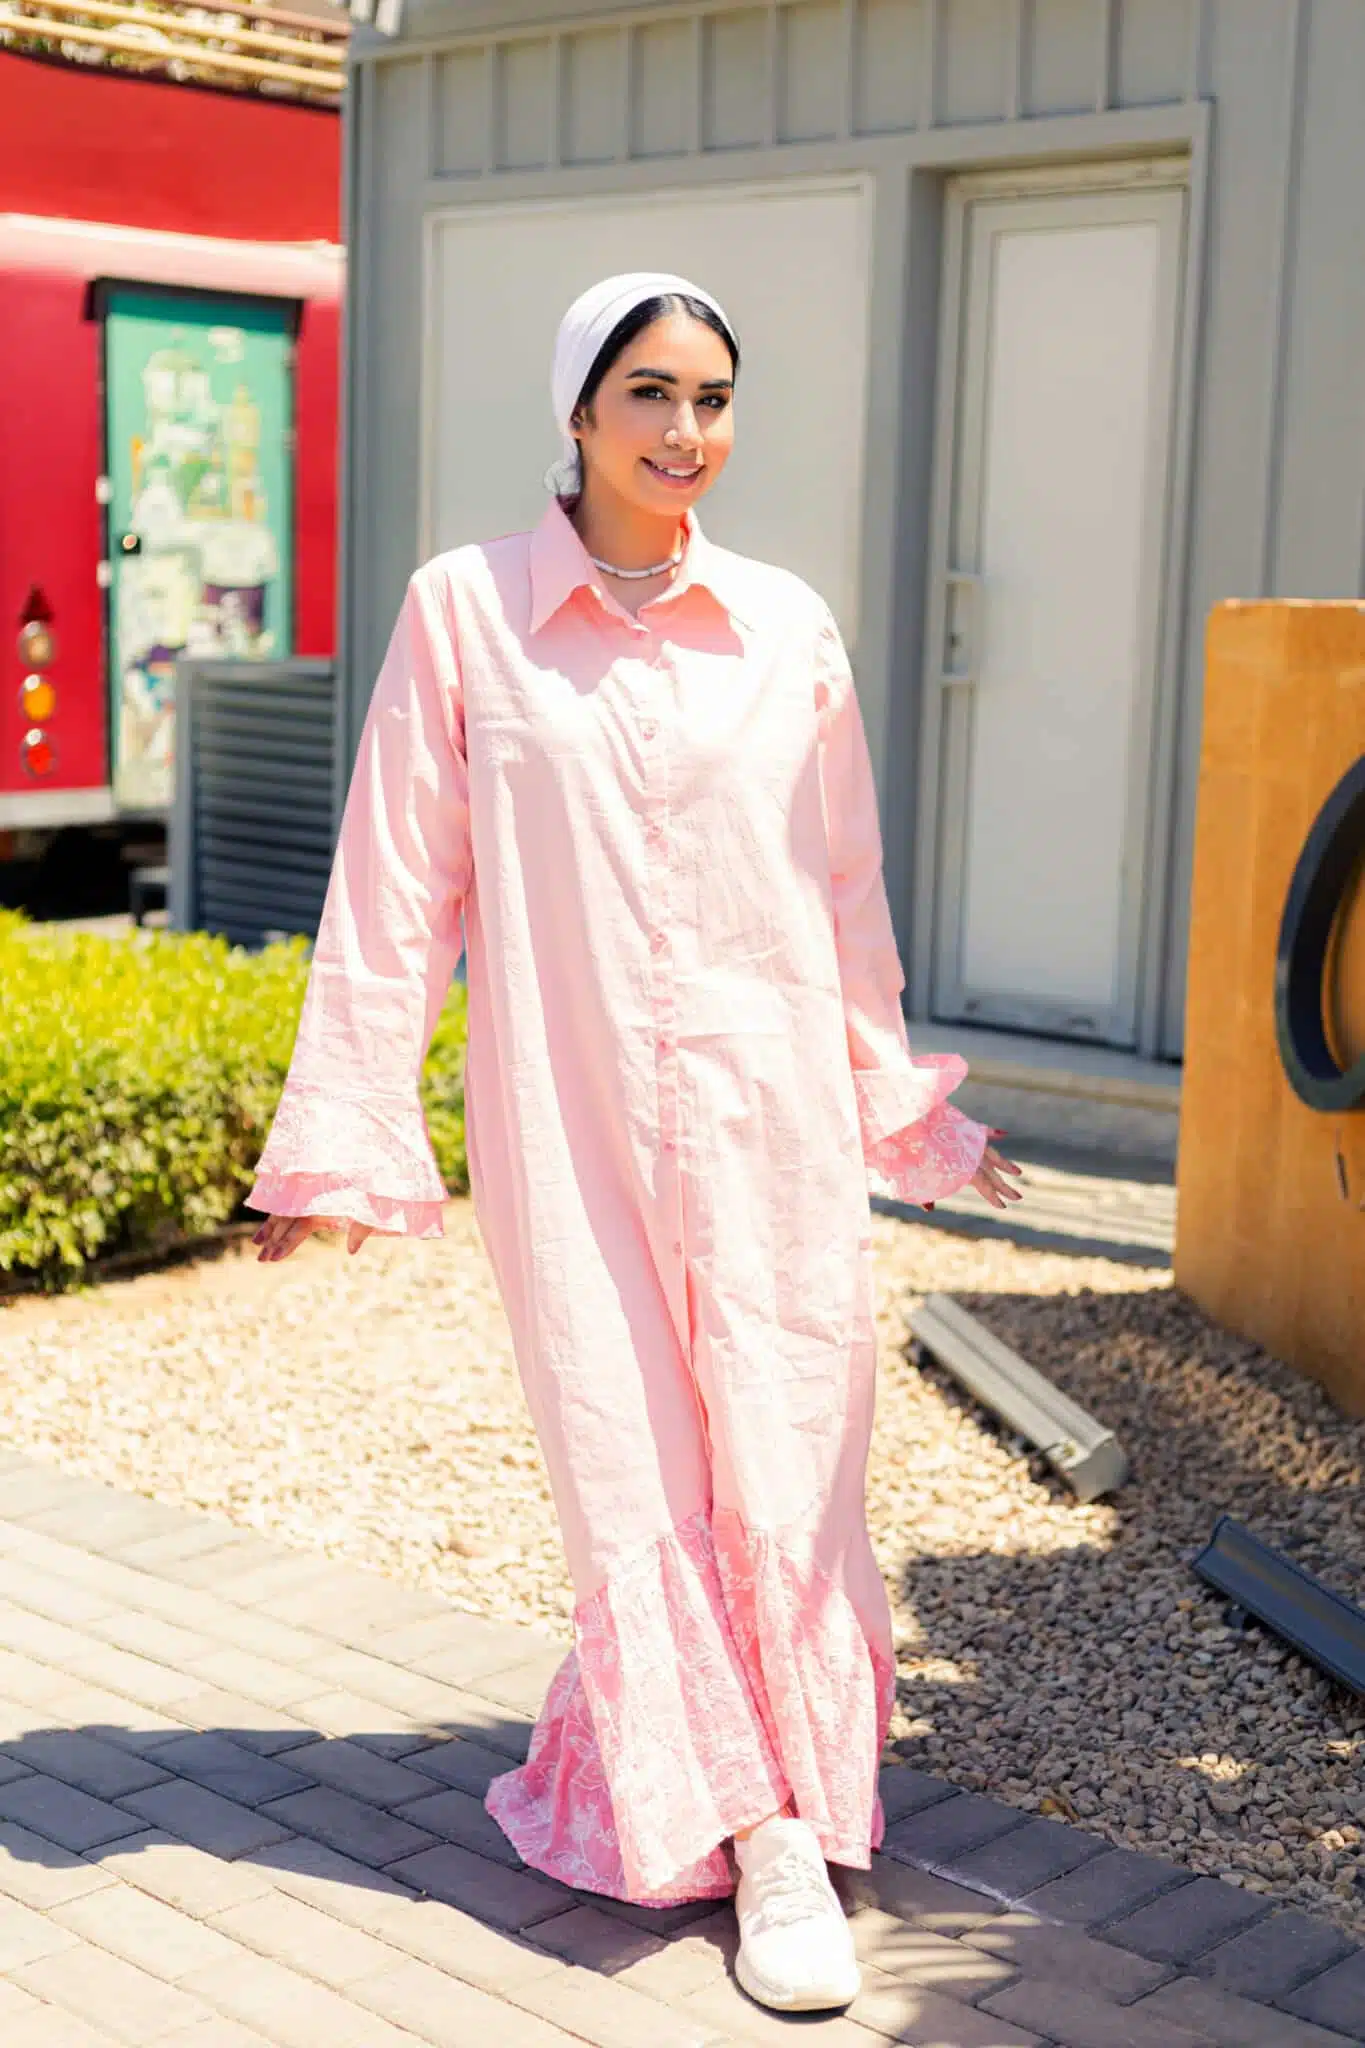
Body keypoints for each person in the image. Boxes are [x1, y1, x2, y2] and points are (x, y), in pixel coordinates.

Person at [248, 270, 1022, 2015]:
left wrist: (904, 1101)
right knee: (633, 1465)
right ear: (580, 411)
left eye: (713, 398)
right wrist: (345, 1132)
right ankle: (761, 1838)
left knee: (786, 1446)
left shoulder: (787, 628)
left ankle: (769, 1784)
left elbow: (843, 893)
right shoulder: (466, 613)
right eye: (651, 394)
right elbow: (395, 888)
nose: (687, 431)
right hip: (570, 1118)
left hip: (770, 1118)